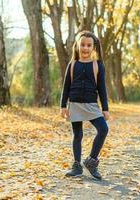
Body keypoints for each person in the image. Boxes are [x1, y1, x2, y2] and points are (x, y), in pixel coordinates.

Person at [60, 31, 109, 180]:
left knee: (103, 129)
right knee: (77, 135)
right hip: (75, 104)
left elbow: (102, 88)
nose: (85, 48)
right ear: (77, 46)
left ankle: (91, 161)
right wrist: (63, 105)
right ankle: (76, 166)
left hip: (91, 105)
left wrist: (105, 108)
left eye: (89, 45)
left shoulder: (98, 65)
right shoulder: (73, 64)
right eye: (82, 45)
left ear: (93, 47)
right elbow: (66, 86)